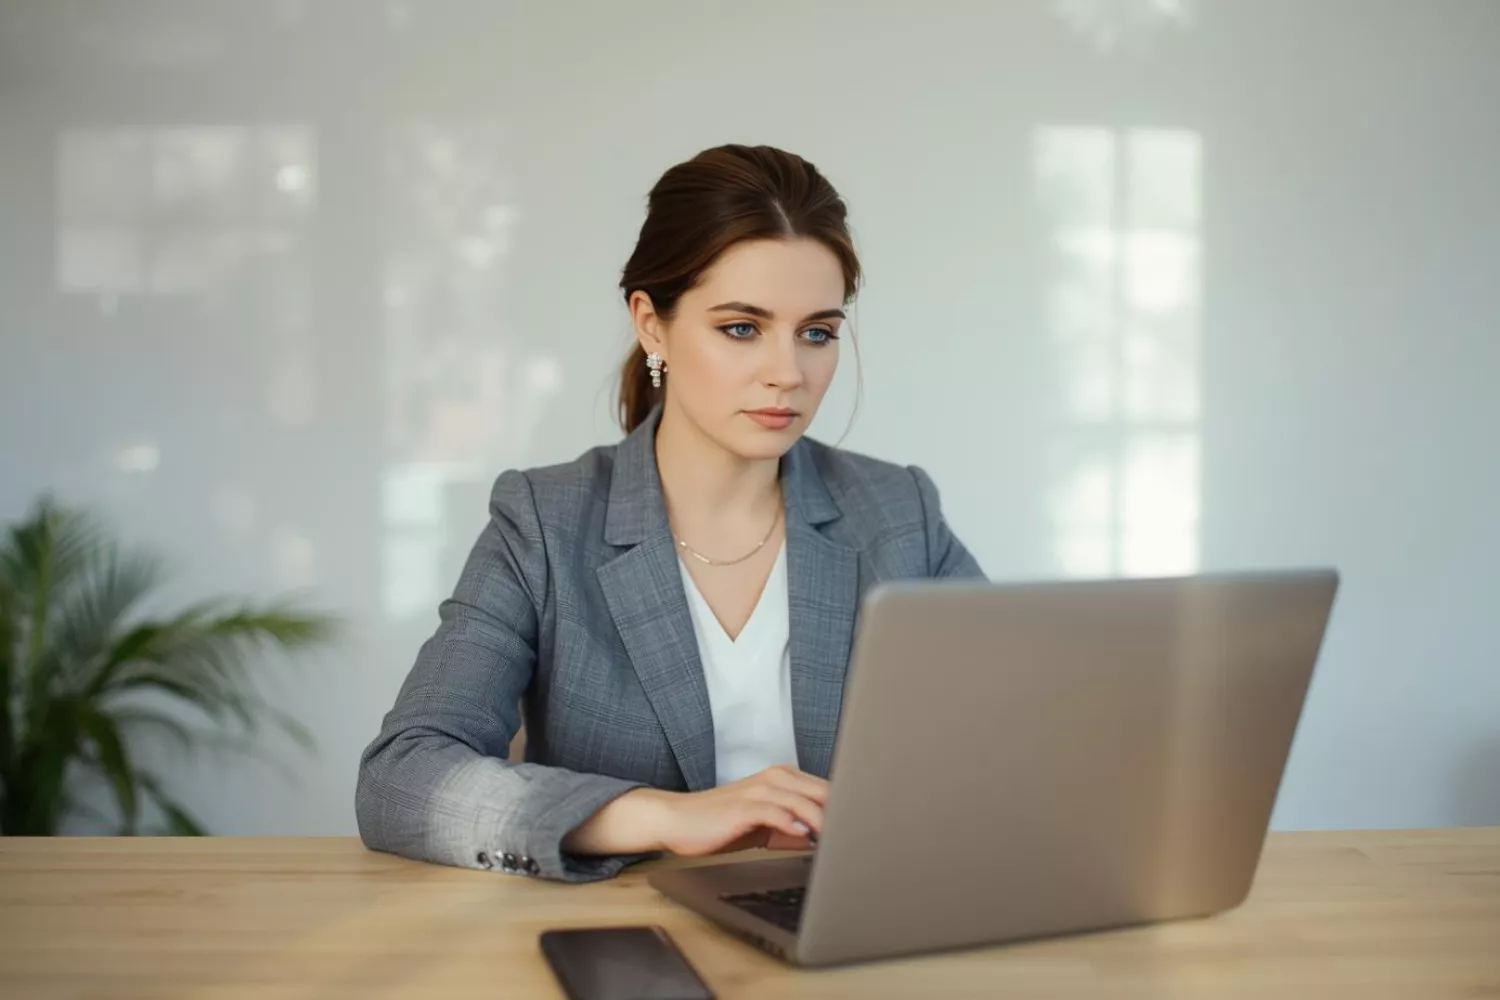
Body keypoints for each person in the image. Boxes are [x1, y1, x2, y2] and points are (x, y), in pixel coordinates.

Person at [356, 144, 983, 883]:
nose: (788, 372)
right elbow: (402, 777)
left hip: (848, 923)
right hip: (627, 926)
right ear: (651, 324)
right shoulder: (546, 524)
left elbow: (1017, 736)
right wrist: (665, 816)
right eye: (741, 328)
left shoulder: (898, 512)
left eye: (816, 332)